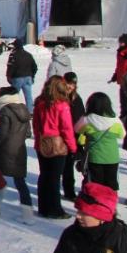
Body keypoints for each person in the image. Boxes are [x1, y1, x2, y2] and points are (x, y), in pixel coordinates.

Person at [50, 183, 127, 253]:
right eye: (78, 210)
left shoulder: (121, 238)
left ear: (102, 217)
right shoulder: (70, 235)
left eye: (84, 213)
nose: (78, 216)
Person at [33, 75, 78, 219]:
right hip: (57, 145)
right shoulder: (62, 105)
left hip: (43, 143)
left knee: (44, 176)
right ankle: (55, 209)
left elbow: (35, 125)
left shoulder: (40, 103)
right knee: (54, 178)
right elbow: (66, 128)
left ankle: (44, 207)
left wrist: (38, 140)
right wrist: (73, 147)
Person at [0, 86, 34, 223]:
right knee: (20, 182)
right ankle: (28, 215)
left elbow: (2, 134)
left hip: (4, 151)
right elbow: (28, 133)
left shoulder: (5, 111)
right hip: (19, 150)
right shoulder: (24, 109)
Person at [75, 92, 126, 192]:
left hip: (94, 158)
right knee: (111, 185)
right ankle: (109, 205)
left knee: (95, 185)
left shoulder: (87, 119)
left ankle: (95, 204)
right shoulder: (115, 121)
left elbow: (77, 129)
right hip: (112, 157)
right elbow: (122, 134)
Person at [63, 71, 86, 201]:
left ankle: (71, 191)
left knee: (71, 165)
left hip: (75, 136)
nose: (70, 86)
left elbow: (81, 117)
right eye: (68, 83)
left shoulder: (77, 99)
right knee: (65, 166)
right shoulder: (60, 97)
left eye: (73, 84)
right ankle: (68, 191)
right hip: (64, 136)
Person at [6, 39, 38, 112]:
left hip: (17, 78)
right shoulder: (28, 54)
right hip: (28, 78)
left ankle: (14, 112)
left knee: (14, 96)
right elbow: (35, 67)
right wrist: (32, 76)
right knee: (28, 96)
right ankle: (30, 111)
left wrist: (8, 76)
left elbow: (10, 67)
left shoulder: (13, 55)